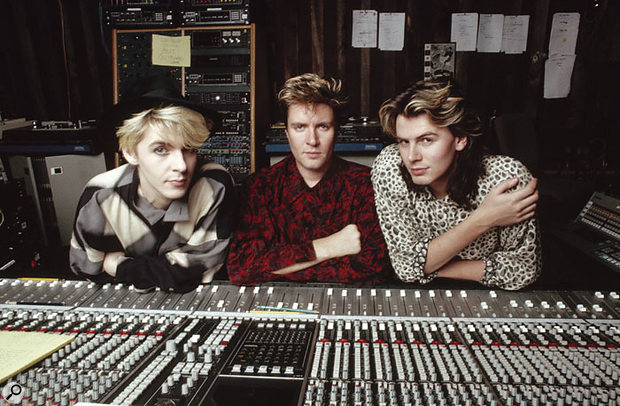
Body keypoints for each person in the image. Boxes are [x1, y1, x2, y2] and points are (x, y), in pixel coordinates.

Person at [70, 76, 236, 292]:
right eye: (161, 150)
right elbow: (86, 270)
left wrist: (118, 266)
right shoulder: (101, 194)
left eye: (189, 149)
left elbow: (201, 270)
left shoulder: (214, 184)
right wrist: (165, 270)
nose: (181, 166)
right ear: (130, 152)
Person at [371, 80, 541, 290]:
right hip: (418, 295)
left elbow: (523, 270)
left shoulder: (505, 178)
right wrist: (484, 218)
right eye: (404, 142)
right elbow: (405, 267)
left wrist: (427, 267)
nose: (412, 156)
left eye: (426, 140)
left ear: (460, 139)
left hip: (490, 297)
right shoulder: (391, 167)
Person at [227, 73, 391, 285]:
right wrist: (329, 247)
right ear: (287, 133)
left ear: (336, 132)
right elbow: (242, 267)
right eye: (300, 127)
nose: (312, 140)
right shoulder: (260, 186)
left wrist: (277, 265)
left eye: (322, 126)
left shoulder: (364, 184)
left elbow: (378, 268)